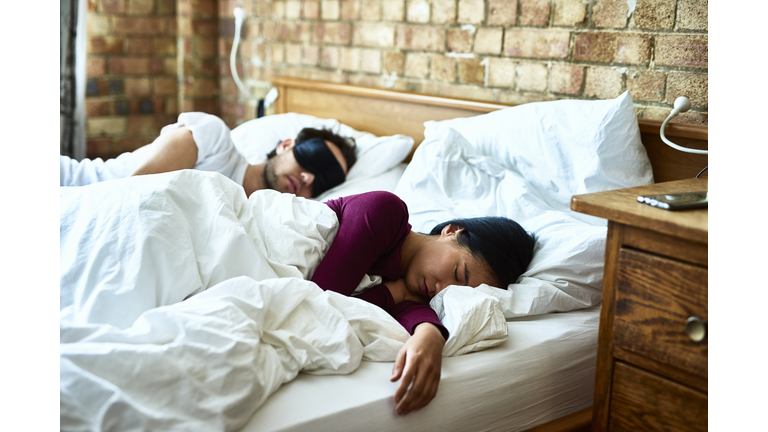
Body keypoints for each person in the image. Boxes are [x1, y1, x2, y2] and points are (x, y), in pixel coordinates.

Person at [312, 190, 536, 416]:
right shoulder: (385, 211)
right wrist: (391, 293)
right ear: (452, 232)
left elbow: (414, 311)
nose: (441, 290)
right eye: (458, 273)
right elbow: (317, 306)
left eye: (455, 291)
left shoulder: (417, 289)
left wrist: (431, 334)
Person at [60, 112, 357, 199]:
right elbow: (127, 197)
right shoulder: (214, 139)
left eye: (323, 183)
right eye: (311, 159)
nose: (309, 178)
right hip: (73, 187)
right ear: (286, 145)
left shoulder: (258, 222)